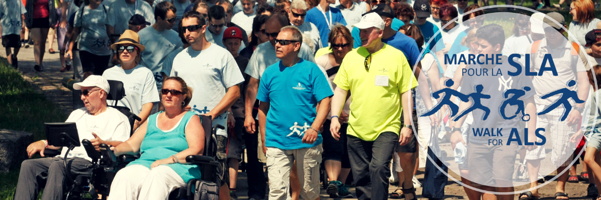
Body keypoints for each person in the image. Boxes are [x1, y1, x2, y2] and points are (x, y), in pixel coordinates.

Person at [329, 12, 417, 200]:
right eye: (360, 31)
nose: (362, 35)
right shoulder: (352, 57)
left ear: (379, 32)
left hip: (387, 126)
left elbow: (406, 92)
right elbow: (341, 90)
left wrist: (407, 125)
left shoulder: (396, 57)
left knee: (378, 168)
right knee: (361, 175)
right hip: (356, 127)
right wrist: (335, 116)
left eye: (367, 31)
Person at [15, 75, 131, 200]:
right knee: (29, 166)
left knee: (58, 166)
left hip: (91, 163)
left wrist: (104, 143)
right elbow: (62, 139)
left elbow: (125, 145)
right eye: (81, 93)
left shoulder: (118, 118)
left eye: (86, 93)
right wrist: (43, 143)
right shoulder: (77, 114)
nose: (82, 97)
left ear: (101, 93)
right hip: (64, 159)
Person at [172, 11, 245, 198]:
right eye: (184, 29)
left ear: (203, 28)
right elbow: (173, 89)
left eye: (192, 28)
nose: (188, 32)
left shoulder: (221, 55)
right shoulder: (179, 57)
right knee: (185, 175)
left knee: (216, 177)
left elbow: (235, 91)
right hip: (185, 126)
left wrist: (212, 114)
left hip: (214, 127)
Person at [243, 13, 315, 200]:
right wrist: (249, 114)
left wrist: (316, 120)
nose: (272, 39)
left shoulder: (304, 50)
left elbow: (313, 83)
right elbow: (252, 84)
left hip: (298, 121)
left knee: (298, 169)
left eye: (275, 34)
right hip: (270, 118)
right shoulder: (260, 51)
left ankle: (296, 195)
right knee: (271, 164)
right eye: (267, 34)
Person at [257, 25, 332, 200]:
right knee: (277, 192)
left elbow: (325, 100)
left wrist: (314, 128)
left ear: (296, 46)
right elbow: (262, 108)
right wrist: (264, 138)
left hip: (307, 140)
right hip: (276, 140)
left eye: (283, 42)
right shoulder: (269, 73)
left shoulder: (311, 70)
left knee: (309, 192)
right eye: (277, 41)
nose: (277, 45)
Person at [108, 76, 204, 200]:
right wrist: (114, 150)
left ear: (183, 96)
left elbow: (196, 149)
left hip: (178, 167)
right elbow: (132, 145)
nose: (168, 95)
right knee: (125, 175)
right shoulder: (152, 119)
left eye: (174, 92)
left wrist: (167, 160)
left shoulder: (190, 118)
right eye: (165, 91)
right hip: (146, 164)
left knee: (158, 175)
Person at [528, 12, 590, 200]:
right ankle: (533, 188)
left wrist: (578, 108)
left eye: (555, 30)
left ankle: (560, 188)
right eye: (548, 30)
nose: (551, 34)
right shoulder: (536, 47)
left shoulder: (573, 49)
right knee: (533, 146)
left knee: (562, 150)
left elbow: (584, 82)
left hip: (565, 109)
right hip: (538, 105)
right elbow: (529, 75)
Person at [314, 24, 353, 198]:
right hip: (330, 114)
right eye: (336, 45)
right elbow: (317, 89)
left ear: (350, 44)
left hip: (353, 113)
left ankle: (341, 184)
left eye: (343, 45)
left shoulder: (356, 60)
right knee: (333, 148)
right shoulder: (322, 62)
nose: (339, 49)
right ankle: (332, 181)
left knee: (349, 151)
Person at [103, 29, 160, 131]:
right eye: (121, 48)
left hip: (134, 127)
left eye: (130, 48)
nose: (125, 51)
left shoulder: (145, 73)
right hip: (110, 127)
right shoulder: (107, 74)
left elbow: (148, 104)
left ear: (137, 51)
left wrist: (135, 125)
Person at [222, 26, 250, 200]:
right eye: (230, 43)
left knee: (234, 151)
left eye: (236, 43)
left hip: (239, 111)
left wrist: (247, 112)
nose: (233, 46)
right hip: (222, 109)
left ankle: (232, 187)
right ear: (224, 43)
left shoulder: (244, 62)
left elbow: (248, 90)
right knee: (220, 151)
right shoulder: (221, 59)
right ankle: (220, 185)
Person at [138, 1, 183, 90]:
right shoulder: (141, 35)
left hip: (166, 85)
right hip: (146, 84)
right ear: (159, 19)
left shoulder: (177, 37)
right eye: (170, 20)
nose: (174, 23)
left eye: (175, 19)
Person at [65, 0, 111, 77]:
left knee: (100, 75)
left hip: (104, 49)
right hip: (86, 48)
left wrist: (113, 44)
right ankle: (87, 88)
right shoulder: (82, 11)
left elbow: (110, 29)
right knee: (88, 73)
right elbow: (75, 31)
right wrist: (69, 49)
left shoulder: (106, 9)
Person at [25, 0, 56, 71]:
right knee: (37, 42)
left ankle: (40, 61)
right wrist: (27, 21)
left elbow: (52, 8)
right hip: (34, 19)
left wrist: (53, 21)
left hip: (45, 19)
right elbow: (27, 8)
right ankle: (37, 63)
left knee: (42, 42)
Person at [0, 0, 26, 69]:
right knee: (7, 45)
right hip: (6, 27)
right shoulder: (2, 1)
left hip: (16, 27)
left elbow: (22, 13)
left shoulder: (18, 1)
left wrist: (23, 23)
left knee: (17, 45)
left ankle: (14, 57)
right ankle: (10, 65)